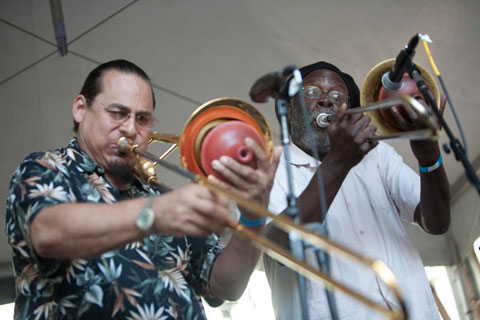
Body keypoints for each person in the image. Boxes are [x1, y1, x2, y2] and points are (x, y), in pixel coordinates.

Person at [5, 59, 280, 319]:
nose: (130, 128)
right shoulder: (47, 168)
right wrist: (155, 213)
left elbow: (224, 285)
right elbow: (47, 233)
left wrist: (252, 217)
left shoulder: (162, 197)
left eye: (142, 119)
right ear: (80, 109)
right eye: (117, 113)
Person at [263, 61, 450, 320]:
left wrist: (428, 154)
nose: (326, 101)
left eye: (338, 96)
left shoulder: (378, 156)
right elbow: (277, 247)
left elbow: (437, 222)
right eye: (312, 92)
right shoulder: (267, 171)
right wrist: (337, 164)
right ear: (287, 109)